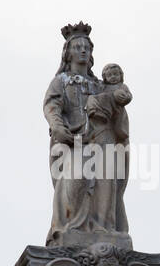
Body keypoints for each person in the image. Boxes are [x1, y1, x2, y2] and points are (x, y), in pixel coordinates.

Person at [43, 22, 130, 245]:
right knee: (76, 177)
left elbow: (114, 109)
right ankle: (71, 226)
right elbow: (51, 106)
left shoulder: (99, 85)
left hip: (102, 137)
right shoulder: (60, 81)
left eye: (87, 47)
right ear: (68, 53)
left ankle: (103, 227)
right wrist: (58, 127)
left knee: (105, 180)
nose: (83, 50)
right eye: (78, 47)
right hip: (74, 140)